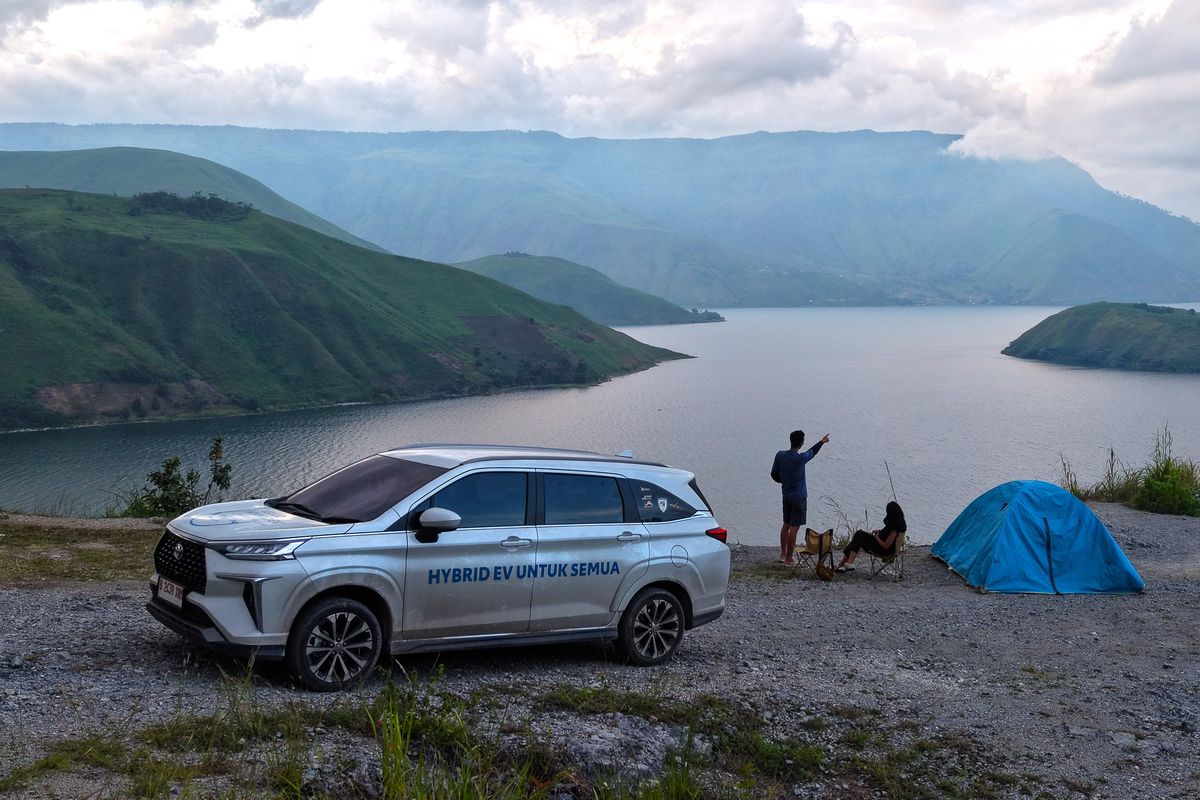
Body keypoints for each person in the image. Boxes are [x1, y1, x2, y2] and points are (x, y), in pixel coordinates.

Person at [770, 430, 830, 564]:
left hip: (786, 495)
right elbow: (812, 451)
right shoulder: (800, 458)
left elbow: (774, 474)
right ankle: (789, 558)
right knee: (794, 528)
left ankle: (782, 554)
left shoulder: (780, 455)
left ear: (790, 440)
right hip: (799, 498)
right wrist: (822, 441)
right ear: (801, 443)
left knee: (786, 525)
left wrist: (783, 481)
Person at [834, 501, 906, 572]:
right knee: (859, 535)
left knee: (858, 537)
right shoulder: (898, 524)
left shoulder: (894, 529)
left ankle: (845, 563)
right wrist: (880, 531)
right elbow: (887, 534)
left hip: (884, 551)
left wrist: (876, 537)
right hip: (879, 544)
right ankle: (846, 564)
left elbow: (886, 546)